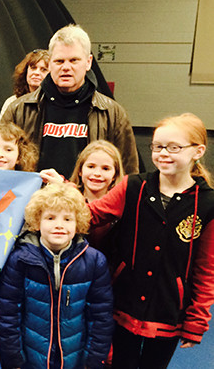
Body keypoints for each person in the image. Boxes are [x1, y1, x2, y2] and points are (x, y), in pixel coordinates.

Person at [88, 113, 214, 368]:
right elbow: (90, 216)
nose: (163, 153)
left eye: (174, 147)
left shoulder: (209, 203)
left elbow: (206, 268)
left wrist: (197, 320)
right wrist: (57, 197)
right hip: (123, 302)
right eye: (157, 146)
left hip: (169, 310)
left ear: (197, 151)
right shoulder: (133, 186)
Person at [0, 183, 114, 369]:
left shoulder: (94, 261)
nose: (59, 225)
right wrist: (14, 360)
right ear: (37, 221)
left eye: (68, 219)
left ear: (78, 223)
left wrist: (93, 362)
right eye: (50, 218)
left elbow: (101, 318)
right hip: (30, 358)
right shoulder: (19, 260)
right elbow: (8, 314)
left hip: (75, 359)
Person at [1, 24, 139, 178]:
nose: (66, 67)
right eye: (59, 61)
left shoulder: (112, 113)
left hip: (87, 201)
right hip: (33, 199)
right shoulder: (19, 109)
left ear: (88, 62)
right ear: (50, 63)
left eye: (74, 60)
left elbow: (128, 173)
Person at [0, 49, 50, 121]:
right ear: (26, 71)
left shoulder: (55, 104)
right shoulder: (12, 102)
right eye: (33, 68)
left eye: (43, 69)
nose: (36, 73)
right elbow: (2, 131)